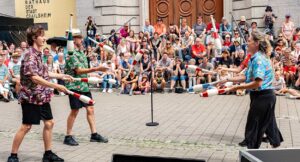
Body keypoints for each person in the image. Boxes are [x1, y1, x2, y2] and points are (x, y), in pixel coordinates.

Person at [7, 25, 72, 162]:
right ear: (34, 38)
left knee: (49, 123)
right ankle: (13, 155)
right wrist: (56, 86)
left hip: (42, 96)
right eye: (42, 35)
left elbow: (43, 73)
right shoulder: (30, 56)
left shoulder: (39, 54)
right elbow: (35, 78)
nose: (44, 38)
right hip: (30, 97)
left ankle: (47, 154)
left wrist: (62, 76)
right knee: (26, 126)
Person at [222, 31, 283, 149]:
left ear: (256, 43)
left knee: (253, 128)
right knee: (262, 124)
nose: (247, 43)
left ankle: (252, 152)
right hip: (260, 96)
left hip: (263, 96)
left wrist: (237, 87)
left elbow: (257, 82)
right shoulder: (253, 57)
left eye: (249, 40)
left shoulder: (258, 59)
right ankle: (272, 144)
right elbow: (247, 77)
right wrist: (228, 79)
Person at [64, 29, 109, 146]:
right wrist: (97, 69)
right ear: (73, 40)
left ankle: (94, 135)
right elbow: (78, 71)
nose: (82, 39)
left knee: (90, 109)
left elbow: (84, 71)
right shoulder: (70, 54)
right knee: (75, 111)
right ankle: (68, 136)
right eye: (79, 37)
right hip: (74, 86)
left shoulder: (82, 54)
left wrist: (93, 75)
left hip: (83, 86)